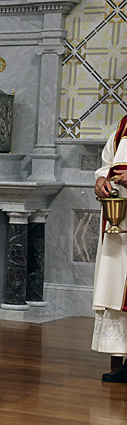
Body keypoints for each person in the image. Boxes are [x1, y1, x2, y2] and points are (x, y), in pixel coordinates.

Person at [92, 114, 127, 383]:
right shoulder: (124, 124)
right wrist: (101, 181)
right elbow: (108, 162)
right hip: (119, 221)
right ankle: (121, 361)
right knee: (116, 290)